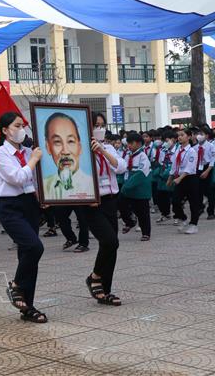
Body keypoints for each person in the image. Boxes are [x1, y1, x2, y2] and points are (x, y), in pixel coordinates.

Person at [0, 112, 46, 323]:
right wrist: (33, 160)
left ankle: (27, 306)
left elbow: (31, 180)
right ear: (5, 130)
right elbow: (17, 178)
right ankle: (15, 286)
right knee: (35, 247)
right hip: (9, 206)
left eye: (23, 125)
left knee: (27, 254)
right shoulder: (0, 154)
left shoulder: (27, 151)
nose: (21, 129)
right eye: (16, 125)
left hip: (28, 204)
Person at [83, 113, 126, 306]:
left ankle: (105, 290)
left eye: (102, 125)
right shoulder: (81, 149)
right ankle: (94, 277)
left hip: (110, 199)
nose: (99, 129)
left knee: (112, 245)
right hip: (92, 203)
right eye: (96, 125)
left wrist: (102, 151)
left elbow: (121, 167)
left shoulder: (107, 147)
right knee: (109, 240)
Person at [42, 113, 95, 201]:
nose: (65, 152)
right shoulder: (44, 187)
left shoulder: (91, 185)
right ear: (48, 147)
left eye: (70, 141)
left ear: (80, 147)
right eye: (57, 142)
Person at [120, 132, 152, 241]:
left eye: (131, 143)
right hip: (129, 186)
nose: (129, 145)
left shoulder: (142, 156)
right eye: (128, 143)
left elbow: (141, 173)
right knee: (121, 203)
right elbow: (124, 169)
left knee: (142, 212)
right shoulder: (128, 155)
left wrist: (127, 185)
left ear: (138, 143)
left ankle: (146, 233)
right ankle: (130, 222)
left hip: (140, 188)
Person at [168, 128, 201, 234]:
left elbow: (190, 168)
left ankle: (194, 224)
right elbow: (174, 165)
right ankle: (183, 218)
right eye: (178, 135)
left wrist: (180, 178)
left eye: (182, 135)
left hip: (189, 178)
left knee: (193, 202)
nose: (179, 137)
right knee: (175, 201)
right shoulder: (178, 150)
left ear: (189, 137)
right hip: (179, 178)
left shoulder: (192, 151)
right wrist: (170, 178)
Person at [193, 128, 215, 219]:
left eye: (201, 134)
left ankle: (211, 212)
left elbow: (213, 159)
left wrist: (207, 171)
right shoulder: (194, 148)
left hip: (208, 168)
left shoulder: (211, 146)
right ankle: (200, 207)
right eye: (198, 134)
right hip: (198, 168)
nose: (199, 136)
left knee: (210, 191)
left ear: (207, 136)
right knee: (198, 190)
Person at [155, 131, 178, 224]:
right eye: (165, 139)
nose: (167, 141)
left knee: (175, 197)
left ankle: (178, 215)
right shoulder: (163, 150)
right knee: (161, 195)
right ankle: (165, 214)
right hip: (163, 173)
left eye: (169, 139)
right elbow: (160, 161)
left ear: (175, 139)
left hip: (174, 173)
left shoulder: (178, 149)